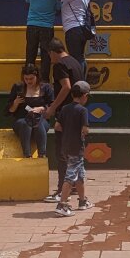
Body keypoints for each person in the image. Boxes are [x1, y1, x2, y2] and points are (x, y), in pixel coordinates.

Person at [44, 37, 84, 202]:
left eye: (49, 55)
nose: (50, 59)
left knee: (62, 152)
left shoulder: (60, 64)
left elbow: (66, 86)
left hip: (65, 114)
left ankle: (62, 190)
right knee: (73, 152)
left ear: (53, 52)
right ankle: (74, 186)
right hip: (76, 112)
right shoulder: (74, 61)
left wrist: (52, 108)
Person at [36, 0, 92, 69]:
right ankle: (82, 78)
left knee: (75, 57)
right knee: (80, 57)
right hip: (82, 29)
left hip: (73, 29)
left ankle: (78, 79)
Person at [54, 80, 92, 216]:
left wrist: (68, 130)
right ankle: (62, 205)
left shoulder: (65, 109)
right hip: (76, 147)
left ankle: (82, 201)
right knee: (70, 176)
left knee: (80, 174)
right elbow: (85, 130)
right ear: (84, 95)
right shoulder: (83, 110)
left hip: (65, 146)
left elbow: (57, 127)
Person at [7, 63, 53, 159]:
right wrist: (15, 103)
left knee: (38, 123)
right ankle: (27, 155)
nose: (29, 81)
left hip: (40, 119)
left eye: (31, 79)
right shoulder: (18, 87)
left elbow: (52, 106)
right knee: (25, 123)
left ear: (37, 77)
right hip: (22, 119)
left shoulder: (46, 88)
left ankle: (42, 155)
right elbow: (9, 111)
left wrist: (42, 108)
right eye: (26, 79)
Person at [25, 0, 59, 80]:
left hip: (32, 25)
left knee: (30, 53)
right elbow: (58, 9)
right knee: (46, 56)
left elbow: (28, 3)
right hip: (47, 27)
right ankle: (44, 81)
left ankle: (28, 79)